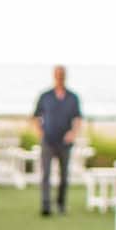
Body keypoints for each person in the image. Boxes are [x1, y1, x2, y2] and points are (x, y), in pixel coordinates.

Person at [32, 65, 82, 216]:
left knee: (64, 176)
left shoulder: (73, 97)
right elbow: (35, 117)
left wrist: (72, 133)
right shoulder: (45, 96)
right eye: (57, 74)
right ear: (54, 76)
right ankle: (46, 206)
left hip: (65, 143)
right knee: (45, 174)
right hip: (48, 141)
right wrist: (40, 133)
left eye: (62, 74)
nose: (60, 77)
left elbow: (78, 118)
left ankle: (61, 205)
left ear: (65, 76)